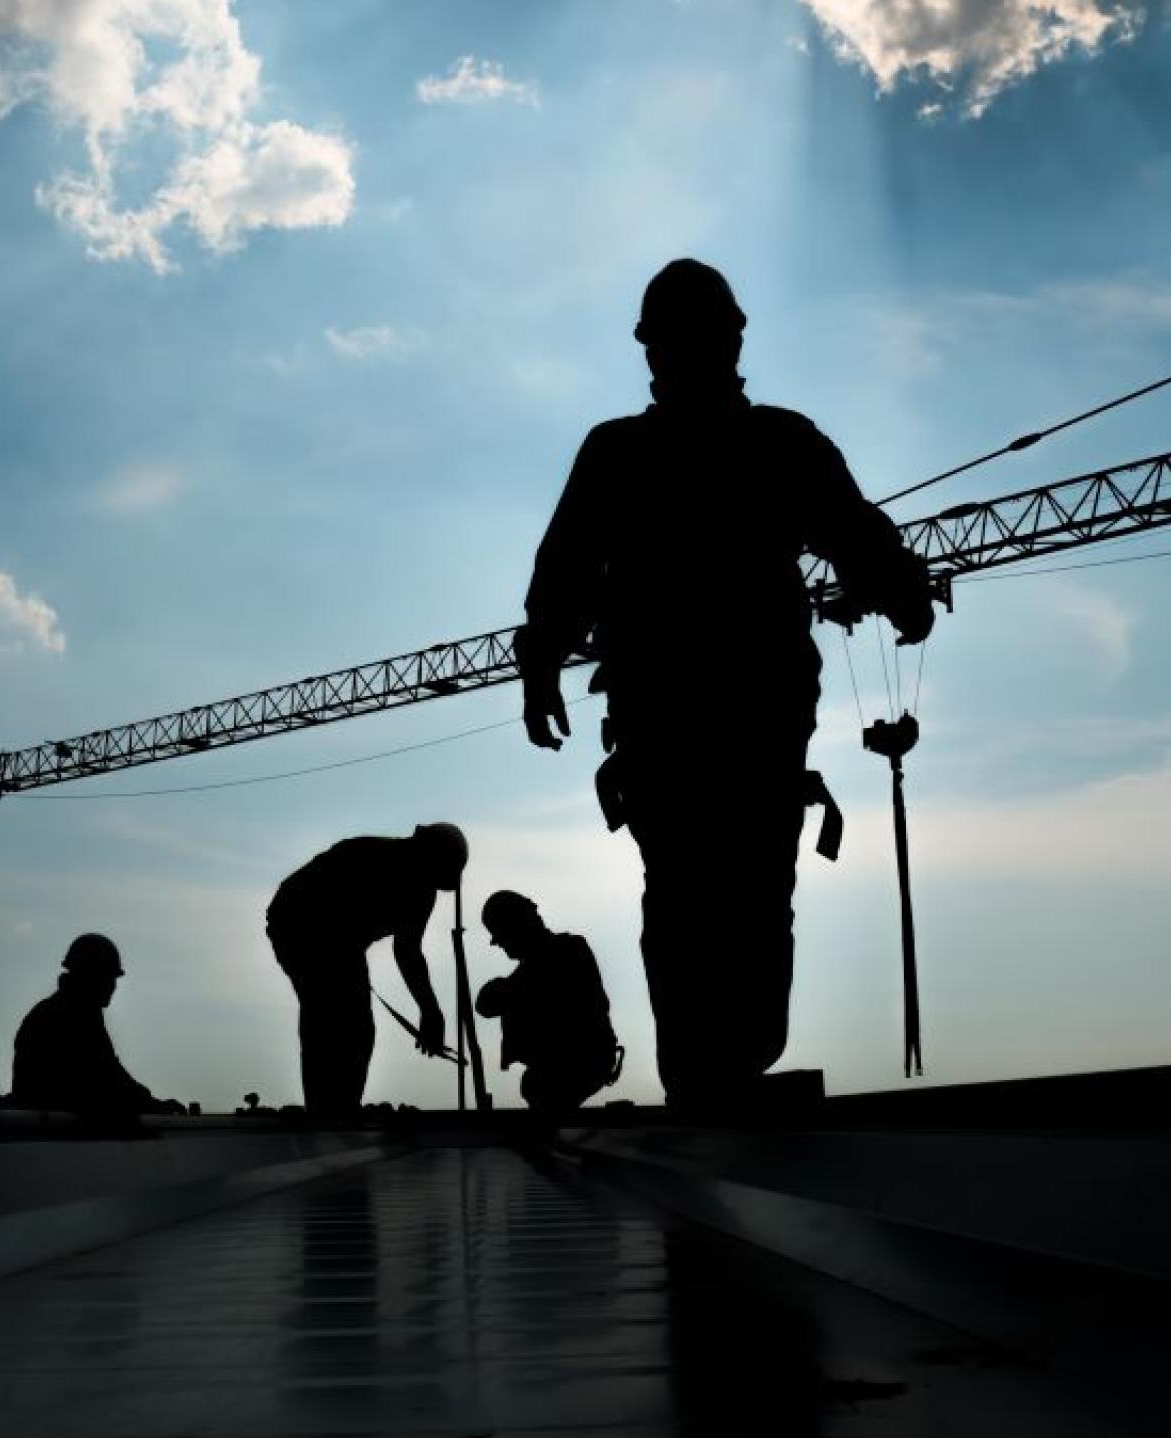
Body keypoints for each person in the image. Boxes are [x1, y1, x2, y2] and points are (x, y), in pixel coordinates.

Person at [514, 259, 937, 1110]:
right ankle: (726, 1064)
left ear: (655, 349)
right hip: (742, 703)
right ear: (727, 339)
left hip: (684, 707)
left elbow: (562, 578)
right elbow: (856, 535)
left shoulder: (628, 452)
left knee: (695, 891)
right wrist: (904, 598)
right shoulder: (774, 443)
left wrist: (543, 669)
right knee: (737, 885)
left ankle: (714, 1068)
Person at [265, 822, 467, 1119]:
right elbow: (321, 913)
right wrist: (345, 965)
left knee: (354, 1024)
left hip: (342, 945)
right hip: (296, 921)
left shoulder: (422, 893)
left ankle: (340, 1107)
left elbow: (408, 951)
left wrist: (430, 1010)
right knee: (328, 1014)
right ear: (426, 850)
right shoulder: (364, 852)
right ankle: (326, 1110)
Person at [473, 890, 618, 1114]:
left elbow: (520, 990)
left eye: (503, 937)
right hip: (564, 1065)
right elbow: (485, 1004)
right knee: (535, 1086)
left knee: (537, 1087)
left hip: (579, 1061)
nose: (502, 946)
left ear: (517, 927)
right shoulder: (534, 966)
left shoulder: (566, 952)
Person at [10, 933, 177, 1119]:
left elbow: (109, 1074)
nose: (113, 987)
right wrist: (152, 1105)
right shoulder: (70, 1016)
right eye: (108, 978)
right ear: (90, 976)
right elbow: (106, 1078)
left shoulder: (74, 1011)